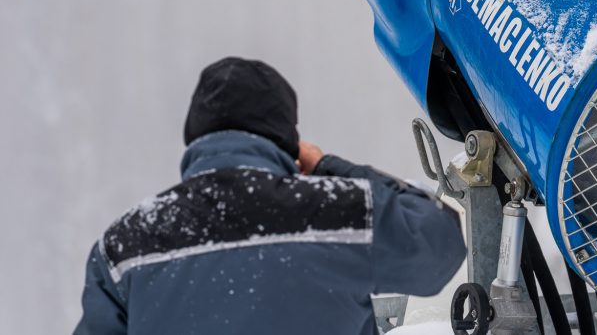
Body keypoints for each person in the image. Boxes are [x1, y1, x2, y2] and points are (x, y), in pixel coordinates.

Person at [72, 57, 466, 335]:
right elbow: (439, 244)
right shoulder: (338, 212)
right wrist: (329, 166)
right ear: (289, 142)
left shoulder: (125, 248)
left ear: (195, 137)